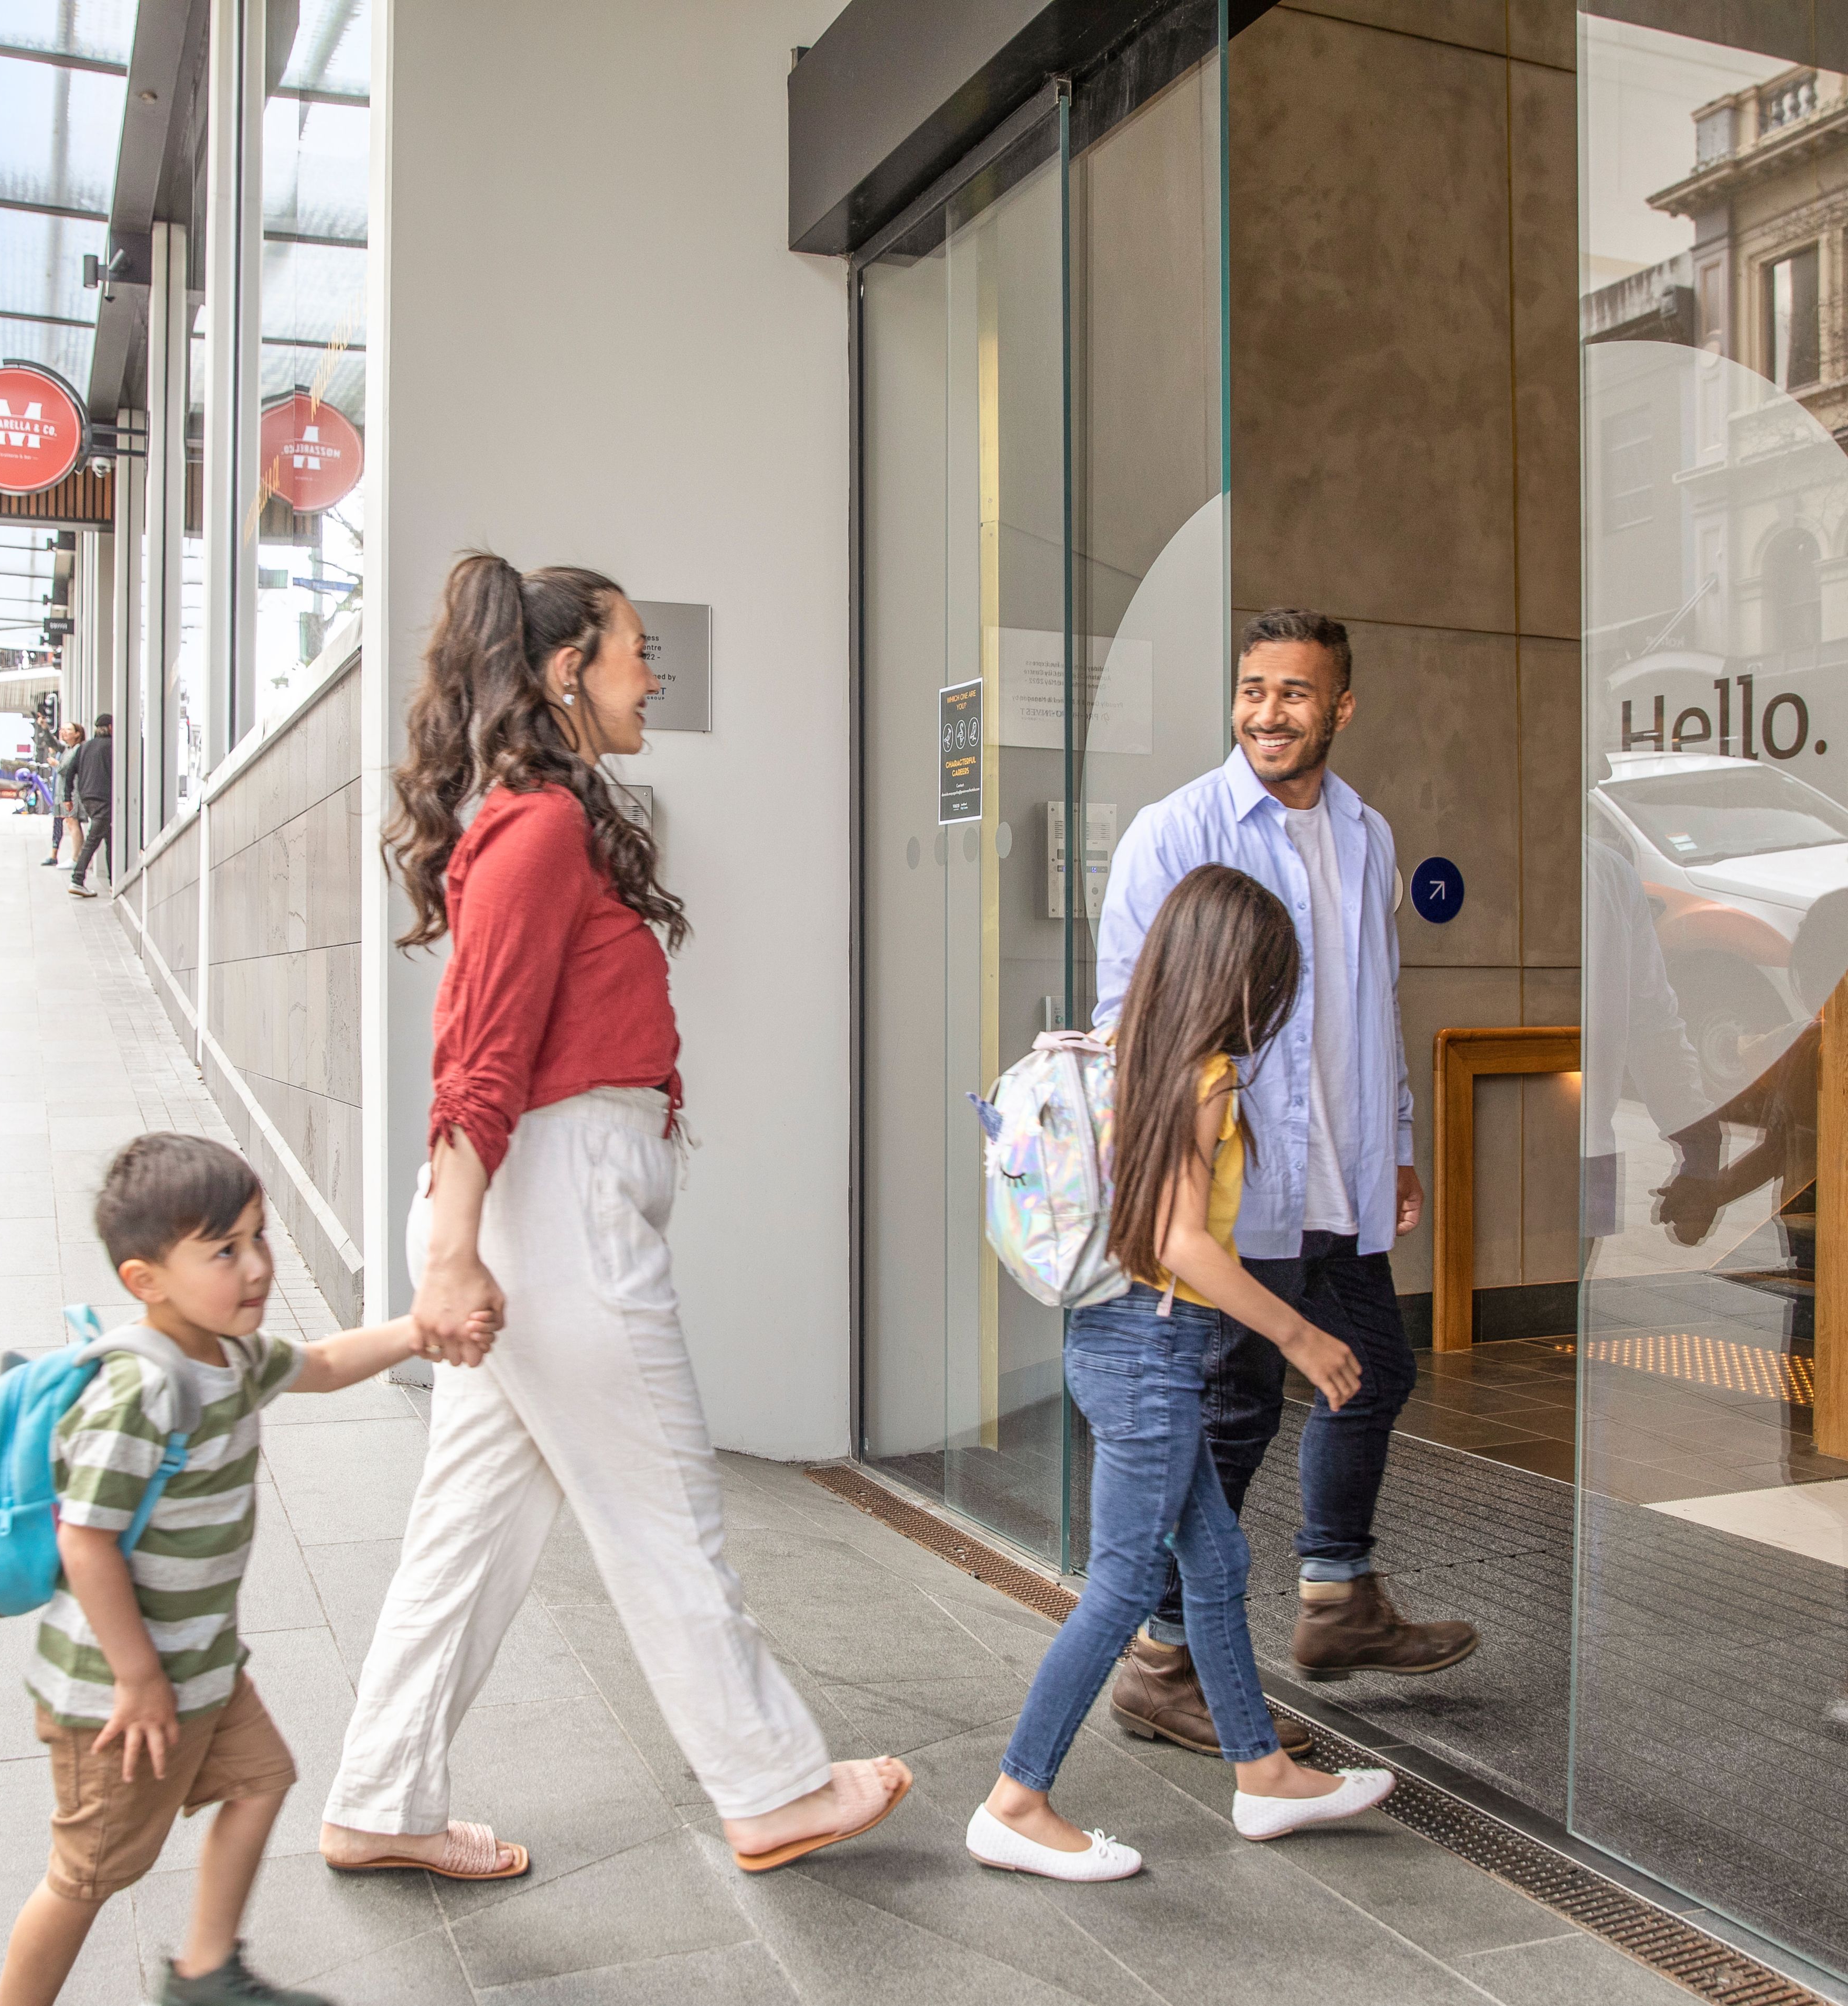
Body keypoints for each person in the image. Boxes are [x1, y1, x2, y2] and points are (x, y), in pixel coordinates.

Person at [319, 553, 910, 1882]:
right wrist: (451, 1249)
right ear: (565, 668)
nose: (656, 673)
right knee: (662, 1502)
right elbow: (476, 1049)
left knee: (468, 1526)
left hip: (553, 1192)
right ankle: (768, 1785)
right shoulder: (536, 829)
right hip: (558, 1202)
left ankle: (379, 1795)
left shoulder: (540, 820)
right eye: (637, 650)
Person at [1096, 608, 1477, 1754]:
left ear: (1340, 708)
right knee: (1231, 1411)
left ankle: (1335, 1596)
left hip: (1341, 1173)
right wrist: (1173, 1181)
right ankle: (1160, 1659)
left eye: (1294, 693)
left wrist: (1394, 1140)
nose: (1267, 711)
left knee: (1376, 1368)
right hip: (1231, 1182)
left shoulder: (1364, 833)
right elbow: (1130, 1015)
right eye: (1252, 688)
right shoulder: (1179, 829)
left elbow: (1376, 1006)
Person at [967, 866, 1396, 1880]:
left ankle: (1264, 1775)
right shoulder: (1199, 1075)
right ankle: (1015, 1800)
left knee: (1216, 1564)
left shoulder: (1125, 1053)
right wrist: (1300, 1336)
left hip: (1107, 1343)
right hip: (1152, 1357)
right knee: (1121, 1585)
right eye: (1272, 984)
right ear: (1239, 980)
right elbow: (1181, 1243)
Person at [0, 1133, 433, 2006]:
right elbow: (86, 1541)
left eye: (259, 1236)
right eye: (224, 1249)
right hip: (120, 1698)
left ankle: (204, 1974)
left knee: (263, 1778)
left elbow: (326, 1364)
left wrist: (420, 1329)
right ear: (146, 1282)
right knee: (86, 1878)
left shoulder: (232, 1355)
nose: (258, 1265)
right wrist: (138, 1678)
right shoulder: (141, 1390)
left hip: (200, 1669)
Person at [67, 714, 113, 898]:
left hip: (88, 798)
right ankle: (77, 880)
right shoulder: (112, 747)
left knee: (111, 838)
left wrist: (66, 795)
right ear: (110, 728)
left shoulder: (84, 747)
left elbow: (71, 771)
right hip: (105, 798)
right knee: (93, 839)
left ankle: (114, 881)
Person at [45, 722, 87, 869]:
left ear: (77, 733)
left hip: (73, 791)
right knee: (70, 822)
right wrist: (45, 728)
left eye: (69, 729)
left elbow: (67, 768)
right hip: (65, 791)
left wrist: (57, 764)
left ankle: (76, 858)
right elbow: (53, 743)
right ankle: (77, 857)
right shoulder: (67, 749)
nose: (65, 732)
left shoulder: (77, 749)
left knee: (73, 821)